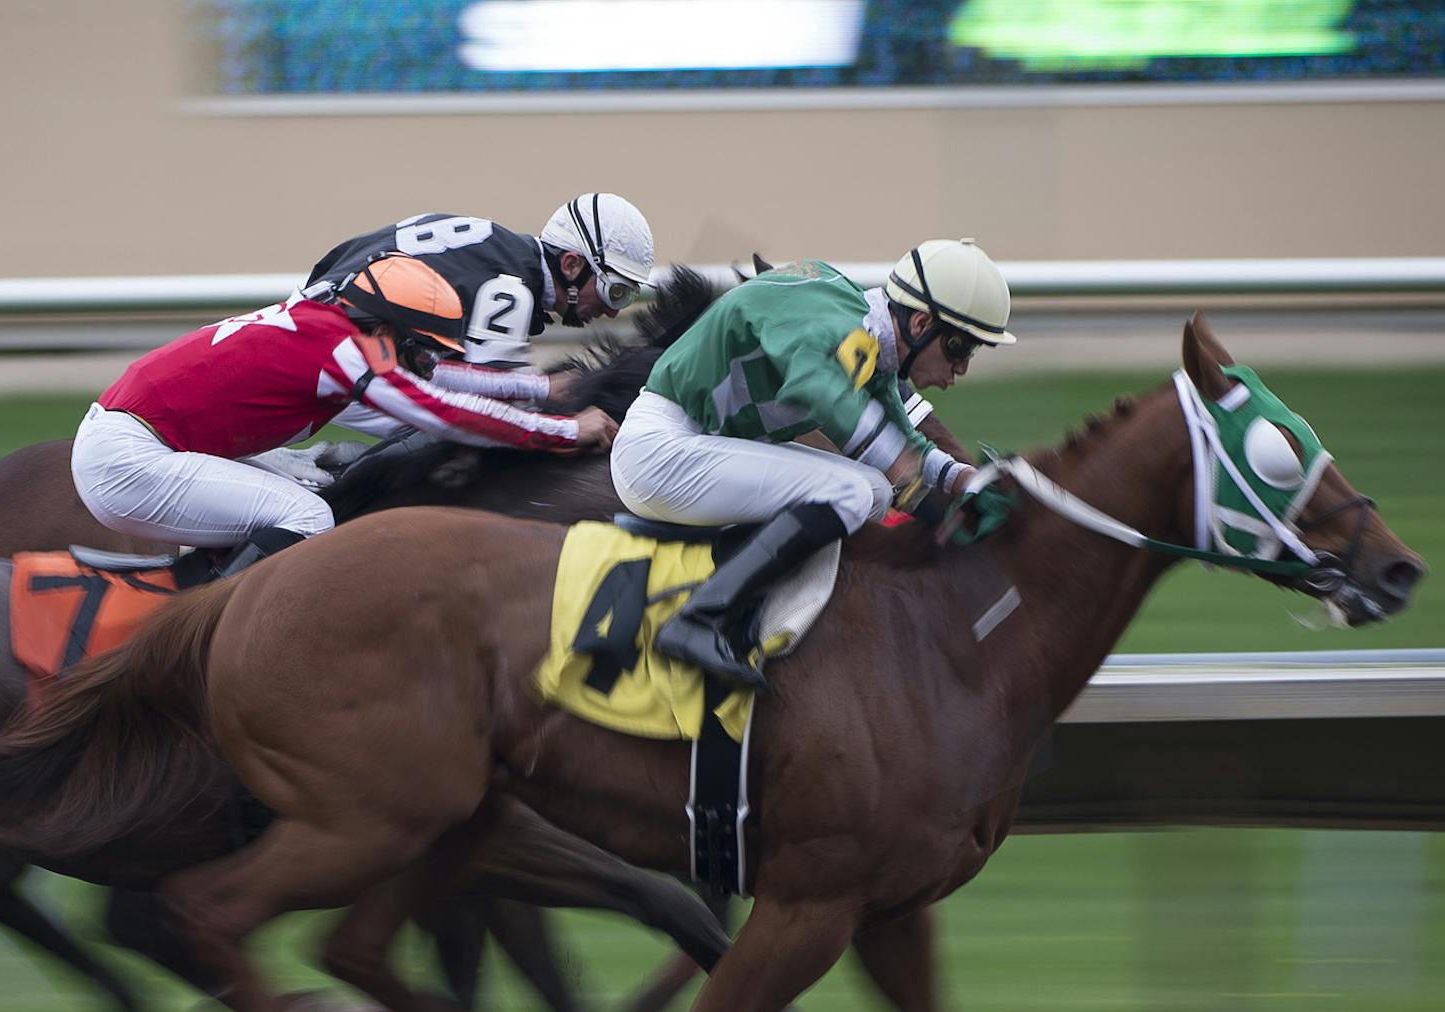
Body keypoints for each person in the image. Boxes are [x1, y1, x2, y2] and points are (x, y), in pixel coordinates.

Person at [610, 238, 1017, 684]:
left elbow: (903, 438)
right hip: (661, 452)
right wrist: (906, 471)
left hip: (698, 446)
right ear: (921, 323)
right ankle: (700, 616)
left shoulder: (865, 336)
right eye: (960, 348)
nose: (961, 369)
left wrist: (963, 481)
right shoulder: (834, 322)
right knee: (853, 489)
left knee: (876, 491)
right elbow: (817, 389)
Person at [71, 254, 617, 573]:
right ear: (386, 327)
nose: (427, 357)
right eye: (419, 344)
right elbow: (438, 410)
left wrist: (539, 387)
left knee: (316, 490)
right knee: (311, 520)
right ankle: (201, 644)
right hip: (131, 460)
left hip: (145, 441)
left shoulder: (334, 326)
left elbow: (426, 379)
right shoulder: (340, 348)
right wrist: (564, 430)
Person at [301, 194, 657, 432]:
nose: (613, 312)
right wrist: (545, 391)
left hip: (302, 327)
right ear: (571, 263)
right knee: (477, 429)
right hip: (320, 365)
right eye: (616, 292)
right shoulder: (512, 287)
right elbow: (494, 405)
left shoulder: (497, 248)